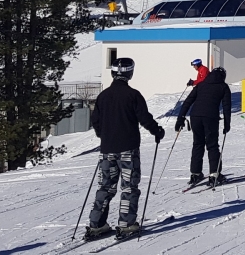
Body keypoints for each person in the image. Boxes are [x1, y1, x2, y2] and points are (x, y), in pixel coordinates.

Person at [85, 58, 164, 241]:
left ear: (113, 73)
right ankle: (126, 224)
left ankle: (96, 224)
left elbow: (95, 120)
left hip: (107, 150)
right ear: (130, 73)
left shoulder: (103, 96)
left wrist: (103, 135)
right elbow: (144, 118)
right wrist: (156, 131)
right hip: (128, 149)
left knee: (105, 186)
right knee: (129, 187)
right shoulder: (133, 95)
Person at [175, 64, 231, 187]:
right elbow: (226, 107)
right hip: (210, 117)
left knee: (198, 144)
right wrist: (227, 124)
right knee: (212, 146)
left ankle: (195, 174)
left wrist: (180, 119)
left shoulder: (201, 85)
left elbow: (188, 102)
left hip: (195, 117)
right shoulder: (223, 87)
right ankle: (214, 175)